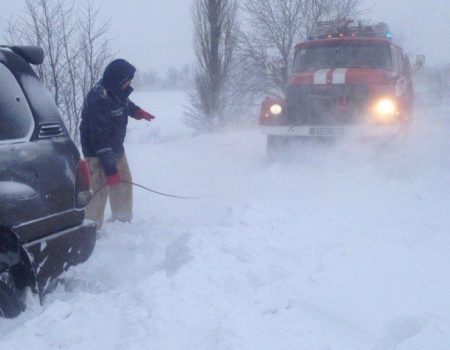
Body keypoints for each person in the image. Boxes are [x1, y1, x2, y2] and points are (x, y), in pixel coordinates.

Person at [80, 59, 155, 229]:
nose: (131, 82)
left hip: (115, 147)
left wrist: (137, 112)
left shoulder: (115, 91)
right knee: (99, 190)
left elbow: (124, 103)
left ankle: (122, 222)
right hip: (96, 152)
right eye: (129, 78)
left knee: (123, 183)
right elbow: (99, 139)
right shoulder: (99, 98)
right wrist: (110, 169)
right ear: (119, 79)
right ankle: (92, 227)